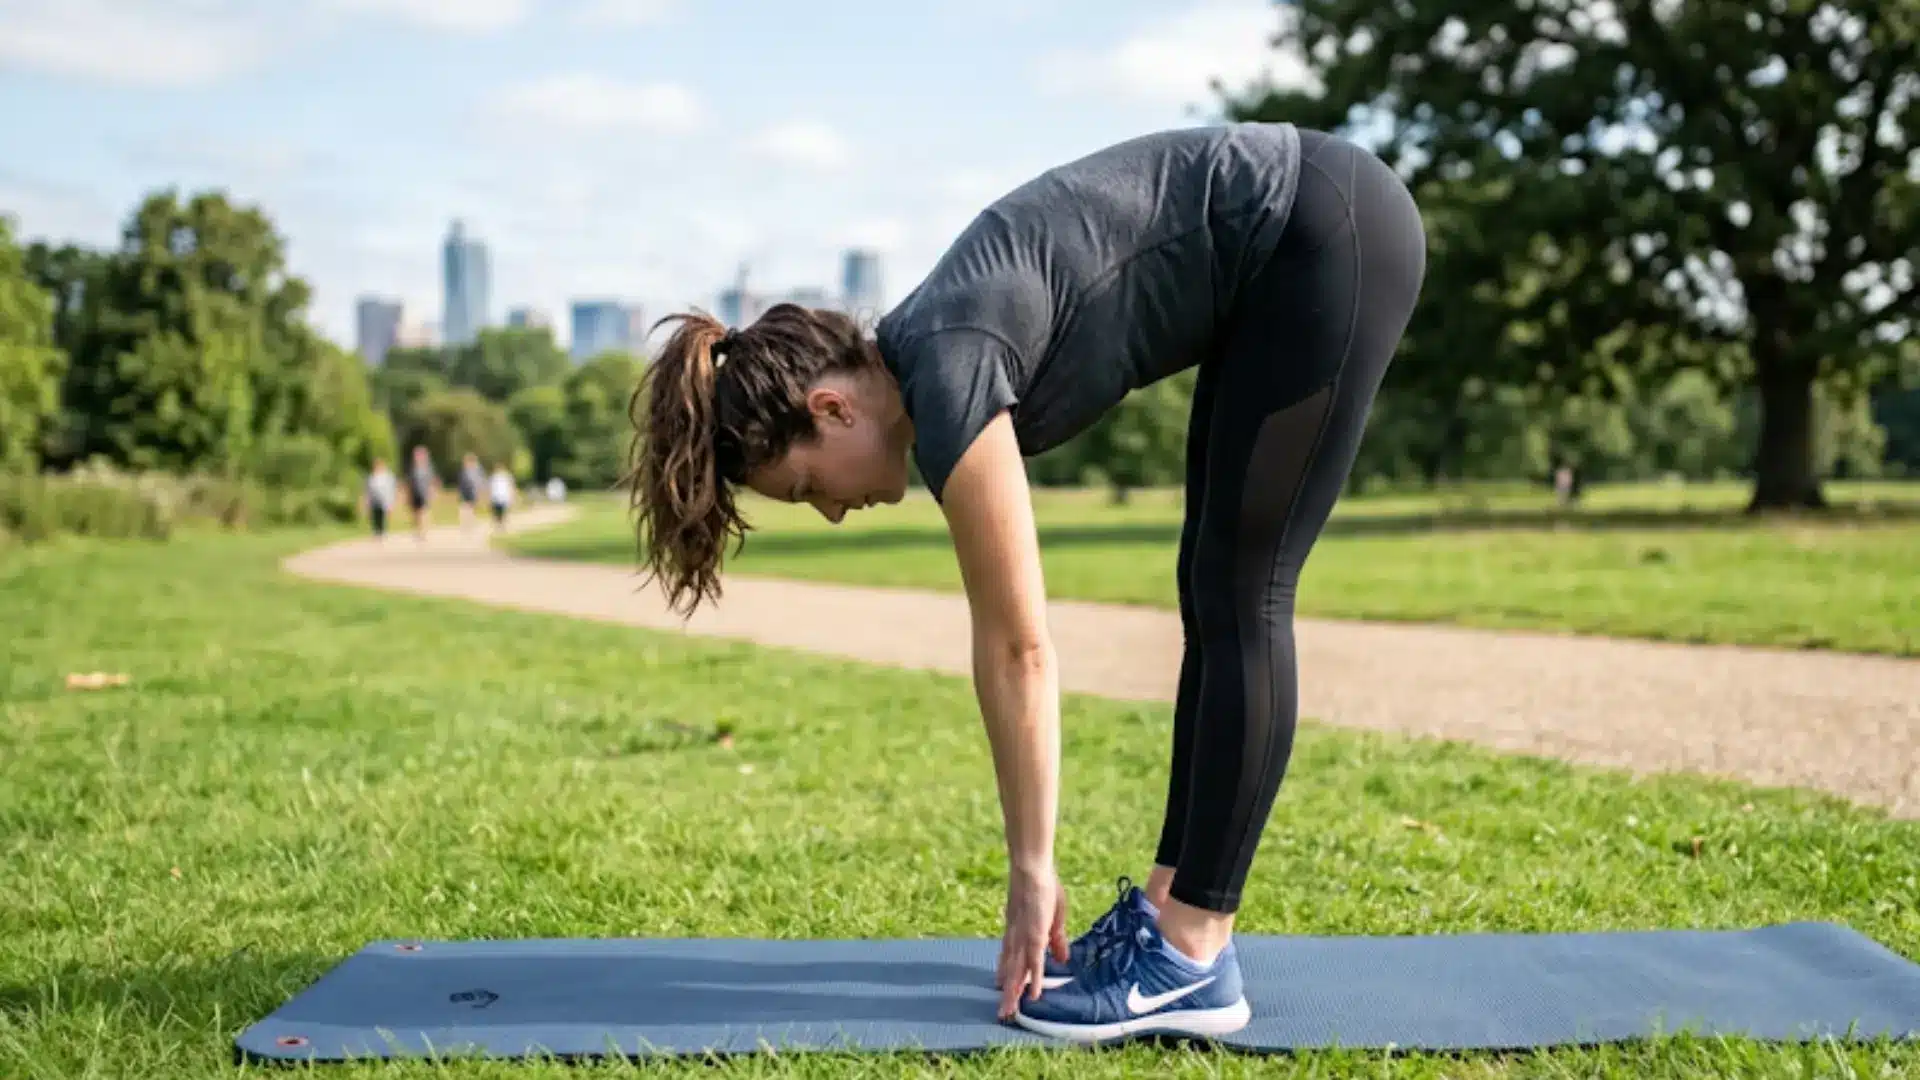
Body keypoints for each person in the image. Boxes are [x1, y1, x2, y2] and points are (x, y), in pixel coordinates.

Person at [623, 121, 1425, 1043]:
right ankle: (1172, 916)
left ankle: (1195, 954)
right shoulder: (930, 356)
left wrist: (1030, 868)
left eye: (807, 487)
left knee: (1245, 593)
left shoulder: (945, 362)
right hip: (1295, 239)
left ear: (831, 407)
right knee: (1215, 593)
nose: (833, 513)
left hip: (1321, 229)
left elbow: (1017, 648)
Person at [406, 445, 437, 541]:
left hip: (424, 493)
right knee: (416, 514)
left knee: (424, 512)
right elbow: (409, 483)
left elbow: (432, 481)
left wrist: (432, 492)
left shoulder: (428, 468)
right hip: (414, 493)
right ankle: (418, 530)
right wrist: (408, 495)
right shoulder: (412, 469)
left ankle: (424, 532)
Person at [364, 457, 397, 541]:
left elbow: (391, 489)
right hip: (374, 500)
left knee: (383, 516)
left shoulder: (388, 476)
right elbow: (368, 490)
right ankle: (376, 533)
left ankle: (382, 533)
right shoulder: (371, 477)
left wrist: (391, 502)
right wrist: (367, 501)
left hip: (384, 500)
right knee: (375, 516)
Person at [457, 453, 484, 533]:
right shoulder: (463, 470)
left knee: (471, 509)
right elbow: (460, 482)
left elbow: (479, 482)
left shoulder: (476, 470)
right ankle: (465, 525)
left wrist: (479, 491)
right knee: (464, 508)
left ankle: (470, 524)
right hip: (464, 492)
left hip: (472, 492)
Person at [488, 463, 516, 531]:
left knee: (503, 512)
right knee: (497, 513)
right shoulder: (493, 477)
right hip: (496, 497)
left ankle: (502, 526)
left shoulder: (507, 476)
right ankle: (498, 526)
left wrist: (512, 496)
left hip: (504, 497)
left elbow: (511, 486)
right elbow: (490, 488)